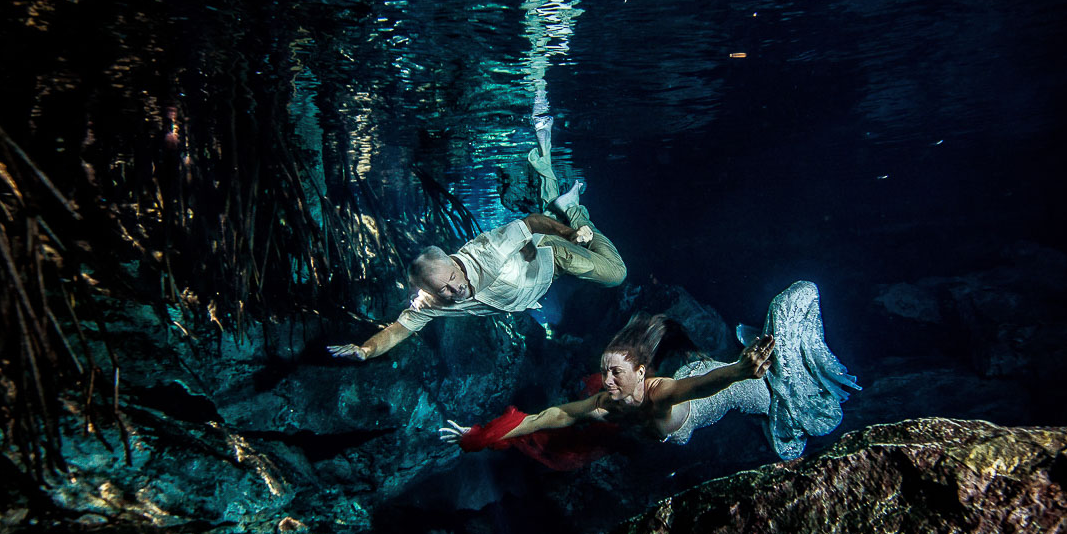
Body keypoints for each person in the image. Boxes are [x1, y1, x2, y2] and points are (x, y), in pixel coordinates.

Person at [440, 281, 861, 463]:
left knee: (785, 385)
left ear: (641, 373)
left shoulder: (659, 392)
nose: (606, 382)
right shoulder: (608, 403)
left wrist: (740, 371)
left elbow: (701, 384)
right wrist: (482, 434)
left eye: (616, 373)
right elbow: (549, 416)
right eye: (605, 372)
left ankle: (776, 365)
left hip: (736, 388)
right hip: (704, 372)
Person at [328, 180, 627, 361]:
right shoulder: (432, 304)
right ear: (428, 292)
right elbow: (396, 331)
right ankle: (560, 203)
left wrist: (570, 234)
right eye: (442, 289)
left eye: (453, 277)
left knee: (616, 274)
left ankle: (574, 211)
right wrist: (365, 350)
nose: (455, 288)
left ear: (454, 263)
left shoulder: (487, 251)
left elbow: (531, 222)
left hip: (552, 255)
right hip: (537, 276)